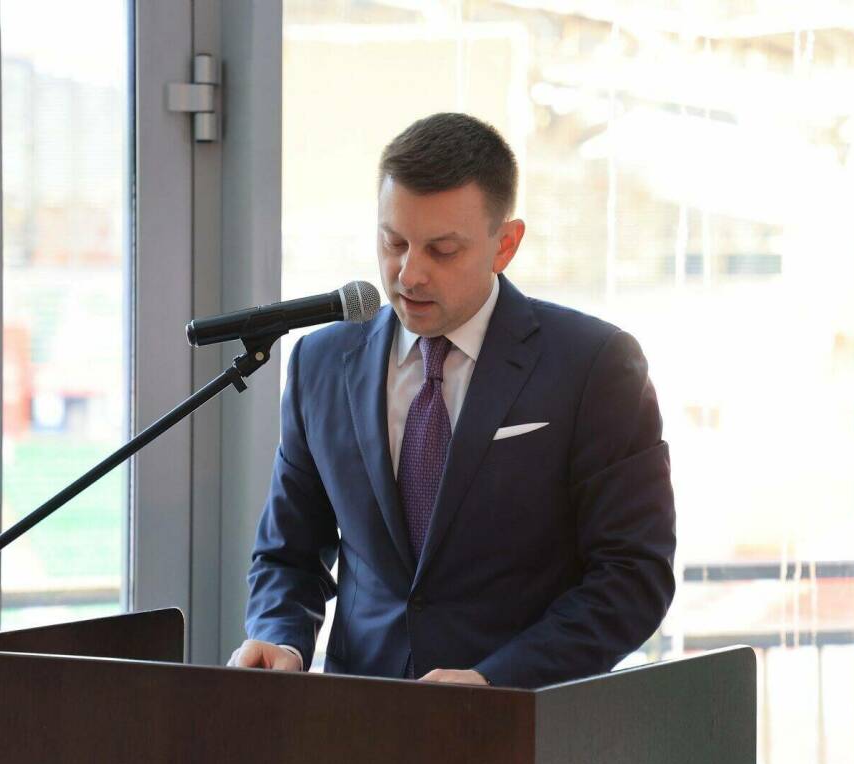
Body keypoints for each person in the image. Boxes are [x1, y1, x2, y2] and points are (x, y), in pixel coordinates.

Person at [229, 112, 675, 689]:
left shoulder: (594, 364)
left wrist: (496, 681)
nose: (408, 275)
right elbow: (288, 554)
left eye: (441, 250)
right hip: (359, 718)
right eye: (393, 243)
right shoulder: (320, 363)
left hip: (522, 718)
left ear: (505, 245)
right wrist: (280, 635)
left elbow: (633, 577)